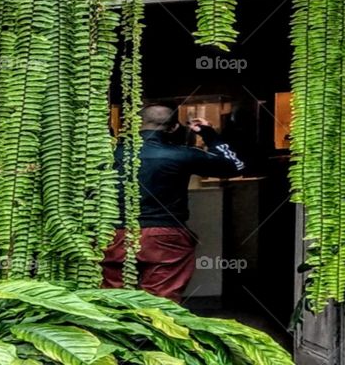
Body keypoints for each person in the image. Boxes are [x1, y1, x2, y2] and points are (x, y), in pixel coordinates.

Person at [101, 104, 245, 302]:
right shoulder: (182, 154)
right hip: (166, 237)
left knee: (110, 299)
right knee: (161, 302)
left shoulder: (108, 155)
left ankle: (116, 332)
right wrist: (208, 133)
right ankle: (154, 332)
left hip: (113, 235)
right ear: (174, 128)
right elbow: (235, 166)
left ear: (136, 125)